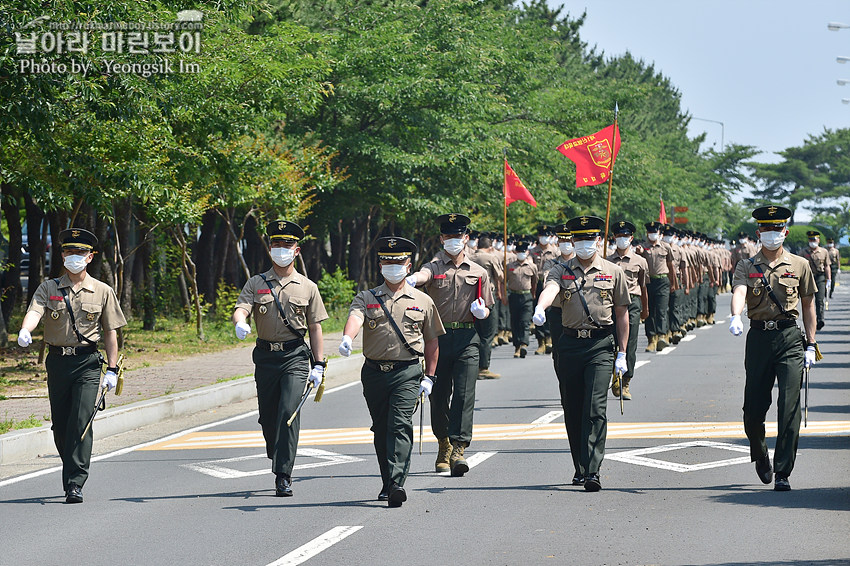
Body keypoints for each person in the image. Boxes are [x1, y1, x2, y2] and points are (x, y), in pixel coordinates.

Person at [17, 228, 127, 504]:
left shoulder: (102, 291)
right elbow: (35, 310)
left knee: (81, 422)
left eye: (79, 252)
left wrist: (112, 369)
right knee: (61, 425)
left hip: (87, 364)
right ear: (62, 255)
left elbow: (111, 332)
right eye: (68, 252)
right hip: (57, 362)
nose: (73, 257)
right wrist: (25, 329)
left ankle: (75, 483)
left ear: (90, 257)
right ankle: (72, 468)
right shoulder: (49, 287)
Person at [338, 237, 443, 507]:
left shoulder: (423, 300)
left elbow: (432, 341)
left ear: (408, 266)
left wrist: (430, 377)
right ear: (380, 265)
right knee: (381, 428)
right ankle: (388, 481)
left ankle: (397, 482)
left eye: (397, 262)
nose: (392, 266)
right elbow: (356, 317)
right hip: (374, 372)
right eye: (387, 261)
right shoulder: (367, 297)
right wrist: (348, 338)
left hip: (406, 372)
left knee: (399, 424)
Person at [532, 216, 630, 491]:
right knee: (572, 408)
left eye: (590, 238)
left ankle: (593, 470)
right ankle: (580, 466)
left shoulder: (613, 271)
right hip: (570, 344)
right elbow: (550, 289)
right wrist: (541, 308)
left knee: (595, 407)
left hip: (600, 346)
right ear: (572, 241)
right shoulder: (560, 270)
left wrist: (622, 354)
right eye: (580, 239)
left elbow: (622, 315)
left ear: (598, 240)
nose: (585, 243)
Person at [232, 220, 328, 497]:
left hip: (295, 357)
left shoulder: (308, 287)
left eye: (287, 246)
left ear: (296, 251)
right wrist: (240, 322)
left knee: (288, 413)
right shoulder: (256, 282)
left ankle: (283, 474)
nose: (281, 250)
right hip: (265, 357)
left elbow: (315, 328)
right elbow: (242, 308)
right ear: (270, 248)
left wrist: (319, 364)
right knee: (268, 418)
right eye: (276, 245)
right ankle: (277, 453)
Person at [729, 205, 818, 492]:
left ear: (785, 232)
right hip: (758, 339)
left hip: (790, 338)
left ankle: (782, 471)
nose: (771, 234)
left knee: (789, 407)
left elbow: (808, 306)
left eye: (776, 229)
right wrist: (735, 315)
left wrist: (812, 344)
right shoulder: (746, 265)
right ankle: (760, 453)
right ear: (759, 233)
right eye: (766, 229)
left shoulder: (800, 265)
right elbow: (740, 291)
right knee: (753, 408)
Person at [408, 213, 494, 476]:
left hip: (468, 338)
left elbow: (488, 308)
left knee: (465, 394)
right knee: (438, 395)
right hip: (438, 339)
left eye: (458, 236)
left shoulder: (479, 272)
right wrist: (411, 279)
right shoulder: (433, 268)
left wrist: (483, 313)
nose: (453, 240)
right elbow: (423, 276)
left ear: (466, 238)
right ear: (441, 239)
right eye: (448, 236)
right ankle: (443, 443)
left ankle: (459, 447)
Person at [606, 221, 649, 400]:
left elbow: (644, 287)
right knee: (610, 342)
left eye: (625, 236)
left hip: (632, 303)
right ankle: (613, 376)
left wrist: (645, 308)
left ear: (631, 238)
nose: (622, 239)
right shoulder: (606, 261)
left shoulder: (640, 261)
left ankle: (625, 381)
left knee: (629, 344)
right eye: (619, 236)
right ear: (614, 238)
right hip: (611, 304)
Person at [469, 235, 504, 379]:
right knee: (488, 334)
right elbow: (500, 276)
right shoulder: (490, 258)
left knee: (474, 332)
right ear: (490, 247)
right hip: (487, 298)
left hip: (470, 298)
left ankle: (473, 366)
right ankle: (483, 367)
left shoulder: (469, 257)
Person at [542, 224, 575, 374]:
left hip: (576, 312)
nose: (565, 244)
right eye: (562, 240)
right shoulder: (551, 263)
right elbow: (547, 281)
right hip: (557, 312)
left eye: (568, 240)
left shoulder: (580, 263)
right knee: (558, 352)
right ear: (557, 242)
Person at [639, 221, 677, 351]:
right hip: (648, 283)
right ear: (647, 233)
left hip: (663, 282)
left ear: (659, 233)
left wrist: (673, 283)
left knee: (661, 310)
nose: (652, 234)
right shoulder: (643, 247)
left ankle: (662, 336)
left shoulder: (666, 247)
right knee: (649, 311)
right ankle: (651, 339)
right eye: (650, 232)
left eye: (655, 232)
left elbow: (671, 266)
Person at [799, 230, 831, 330]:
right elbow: (799, 266)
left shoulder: (824, 251)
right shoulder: (803, 252)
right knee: (808, 300)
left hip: (820, 277)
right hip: (808, 278)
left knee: (820, 299)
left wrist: (828, 278)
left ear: (818, 240)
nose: (812, 241)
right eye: (810, 239)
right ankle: (810, 320)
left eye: (814, 239)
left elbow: (827, 266)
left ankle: (820, 319)